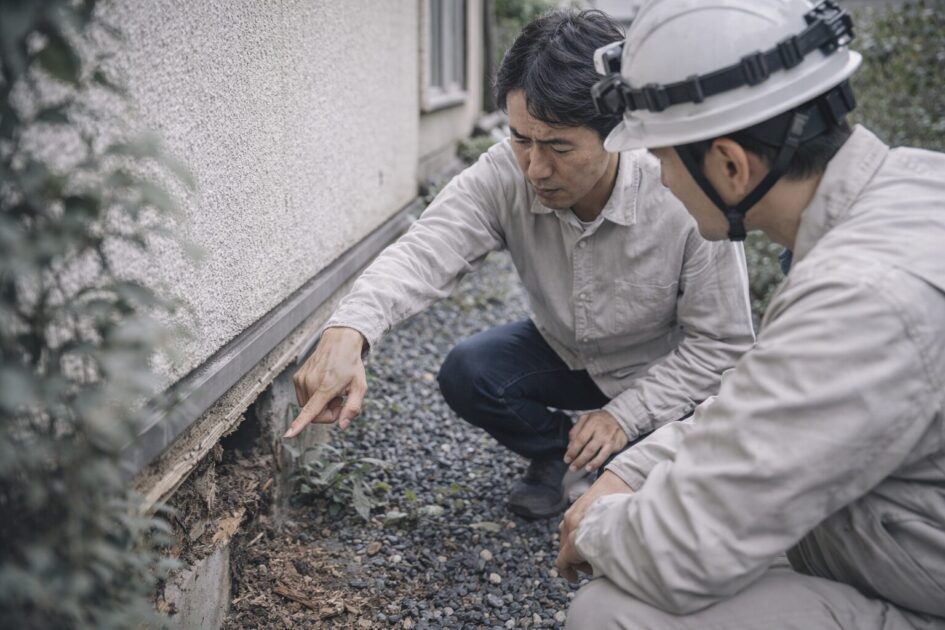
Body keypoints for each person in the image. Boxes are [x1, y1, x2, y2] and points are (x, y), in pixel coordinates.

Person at [556, 0, 945, 627]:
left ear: (731, 166)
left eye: (662, 160)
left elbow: (683, 552)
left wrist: (597, 525)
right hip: (899, 541)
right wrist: (632, 471)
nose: (660, 181)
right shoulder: (910, 188)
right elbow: (766, 401)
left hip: (922, 588)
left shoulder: (860, 296)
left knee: (608, 614)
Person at [286, 9, 755, 520]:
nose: (535, 168)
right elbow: (425, 249)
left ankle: (624, 454)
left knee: (664, 495)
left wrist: (625, 416)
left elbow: (723, 343)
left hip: (660, 370)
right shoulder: (503, 174)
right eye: (521, 139)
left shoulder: (680, 193)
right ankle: (561, 452)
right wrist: (350, 328)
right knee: (469, 371)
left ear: (617, 130)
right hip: (567, 352)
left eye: (558, 146)